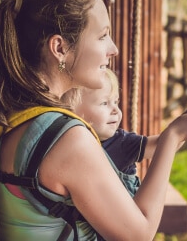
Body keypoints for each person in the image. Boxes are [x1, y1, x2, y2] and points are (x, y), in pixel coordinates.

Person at [0, 0, 187, 240]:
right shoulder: (65, 139)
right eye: (102, 36)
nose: (114, 49)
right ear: (59, 48)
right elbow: (138, 234)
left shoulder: (5, 112)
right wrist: (174, 136)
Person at [67, 68, 156, 197]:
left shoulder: (122, 142)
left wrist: (179, 131)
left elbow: (160, 145)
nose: (115, 110)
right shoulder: (68, 145)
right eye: (104, 103)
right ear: (72, 110)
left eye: (116, 102)